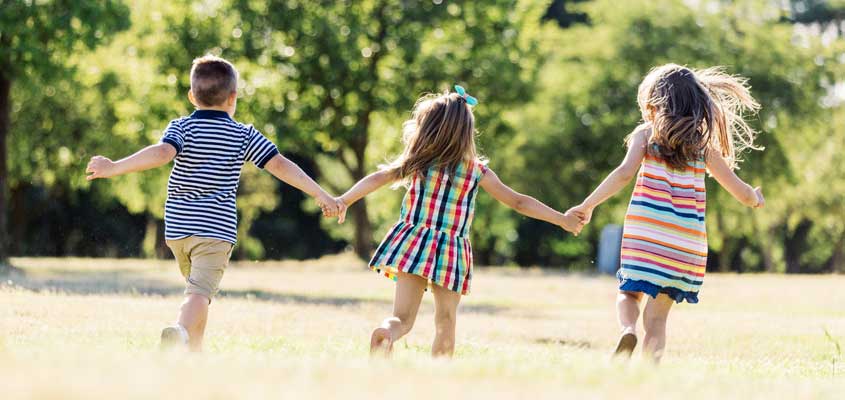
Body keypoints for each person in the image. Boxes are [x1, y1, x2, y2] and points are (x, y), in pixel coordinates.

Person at [85, 54, 343, 351]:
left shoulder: (181, 127)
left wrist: (114, 166)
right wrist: (320, 194)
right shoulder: (243, 134)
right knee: (198, 294)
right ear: (233, 98)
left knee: (199, 292)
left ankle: (194, 351)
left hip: (178, 231)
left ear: (192, 96)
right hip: (214, 232)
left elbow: (160, 153)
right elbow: (281, 165)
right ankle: (180, 331)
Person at [337, 86, 583, 357]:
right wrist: (561, 219)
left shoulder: (416, 163)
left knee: (403, 318)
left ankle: (388, 332)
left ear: (427, 130)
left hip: (413, 242)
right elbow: (519, 202)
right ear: (467, 133)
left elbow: (377, 177)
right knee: (445, 321)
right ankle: (441, 374)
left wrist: (344, 200)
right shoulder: (477, 172)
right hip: (450, 251)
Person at [567, 64, 765, 361]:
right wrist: (755, 199)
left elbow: (623, 174)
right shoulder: (704, 145)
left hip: (645, 236)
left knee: (628, 294)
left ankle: (627, 330)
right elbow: (740, 190)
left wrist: (588, 205)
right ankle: (650, 377)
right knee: (658, 320)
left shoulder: (646, 135)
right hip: (684, 244)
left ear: (654, 103)